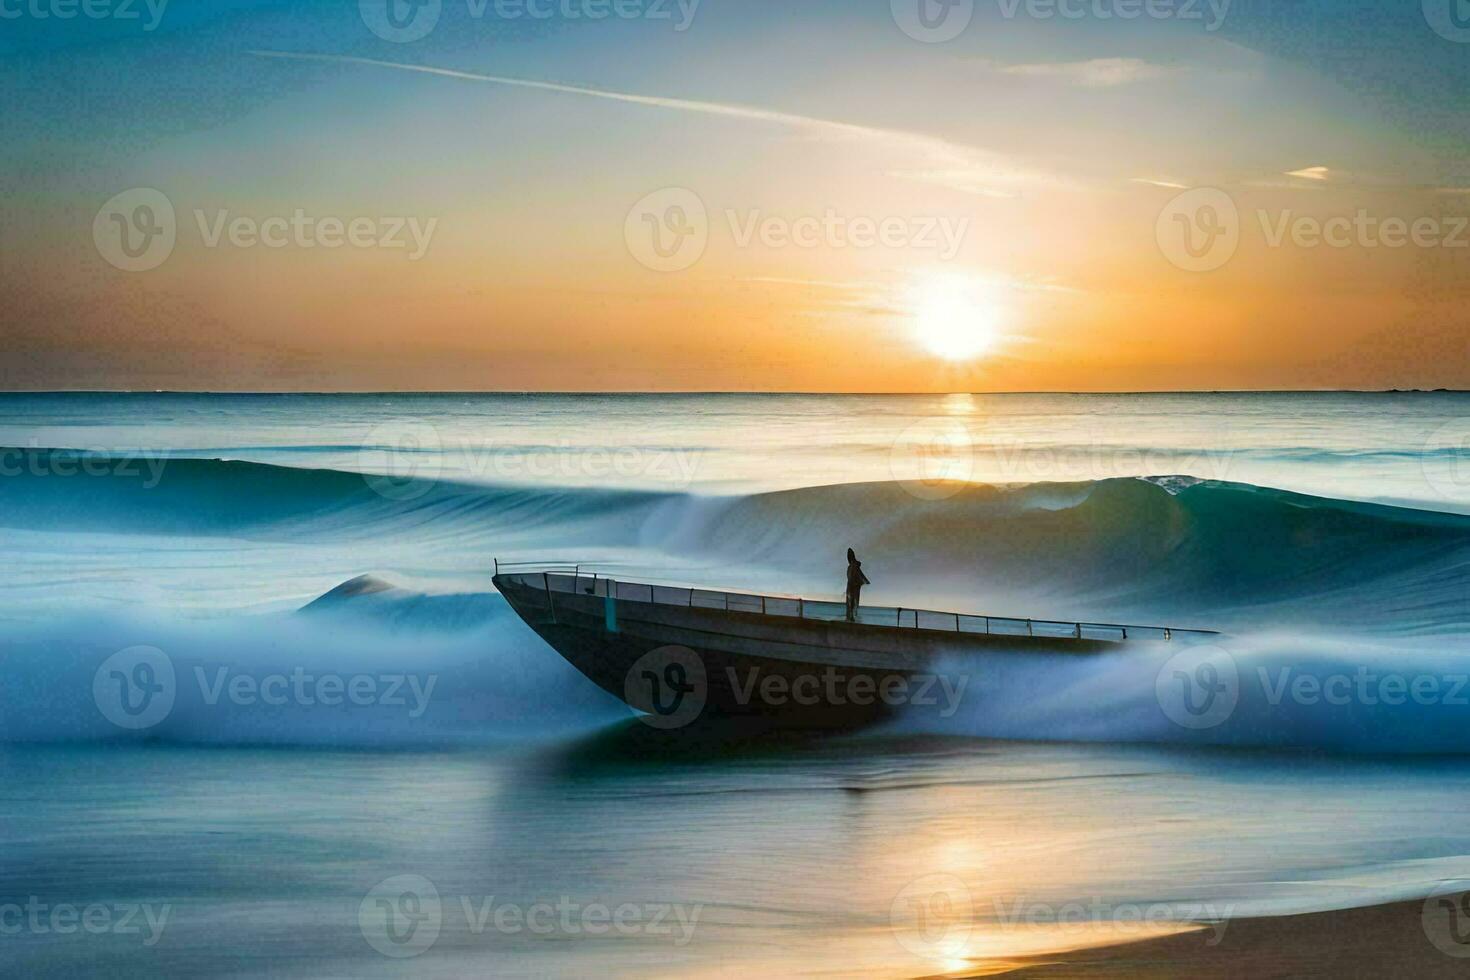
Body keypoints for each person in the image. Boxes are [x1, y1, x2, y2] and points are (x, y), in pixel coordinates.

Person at [845, 548, 870, 622]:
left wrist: (864, 581)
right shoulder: (850, 567)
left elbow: (859, 575)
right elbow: (852, 576)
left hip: (853, 586)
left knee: (852, 601)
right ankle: (850, 617)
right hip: (850, 586)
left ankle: (851, 617)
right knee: (850, 602)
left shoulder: (854, 566)